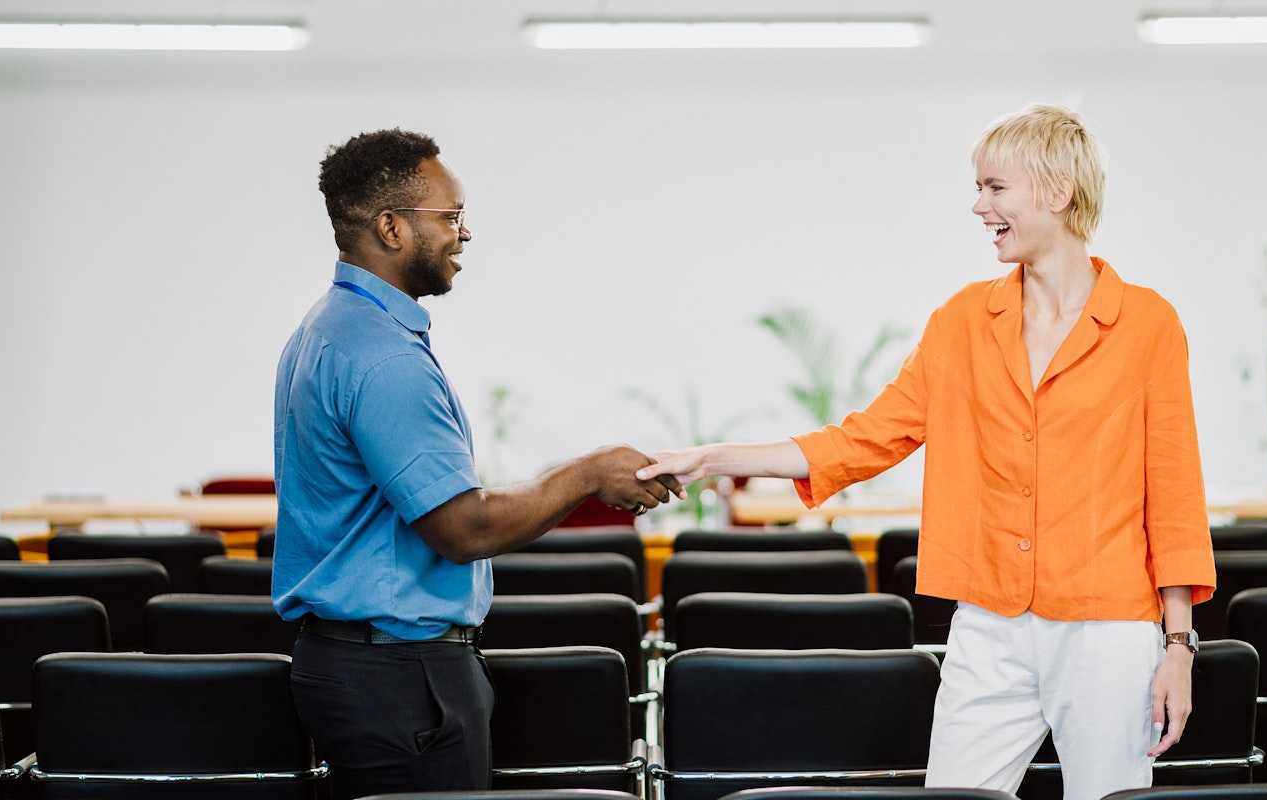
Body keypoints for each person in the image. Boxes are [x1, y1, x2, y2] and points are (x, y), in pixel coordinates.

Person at [637, 105, 1216, 800]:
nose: (979, 206)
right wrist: (718, 458)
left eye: (995, 188)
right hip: (990, 625)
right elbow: (865, 438)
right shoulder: (963, 322)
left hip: (1109, 631)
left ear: (1057, 191)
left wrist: (1177, 648)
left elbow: (1174, 492)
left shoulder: (1148, 324)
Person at [272, 127, 681, 799]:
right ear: (391, 227)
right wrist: (589, 475)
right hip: (399, 676)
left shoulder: (329, 330)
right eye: (451, 216)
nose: (464, 235)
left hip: (365, 664)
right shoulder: (383, 357)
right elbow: (464, 528)